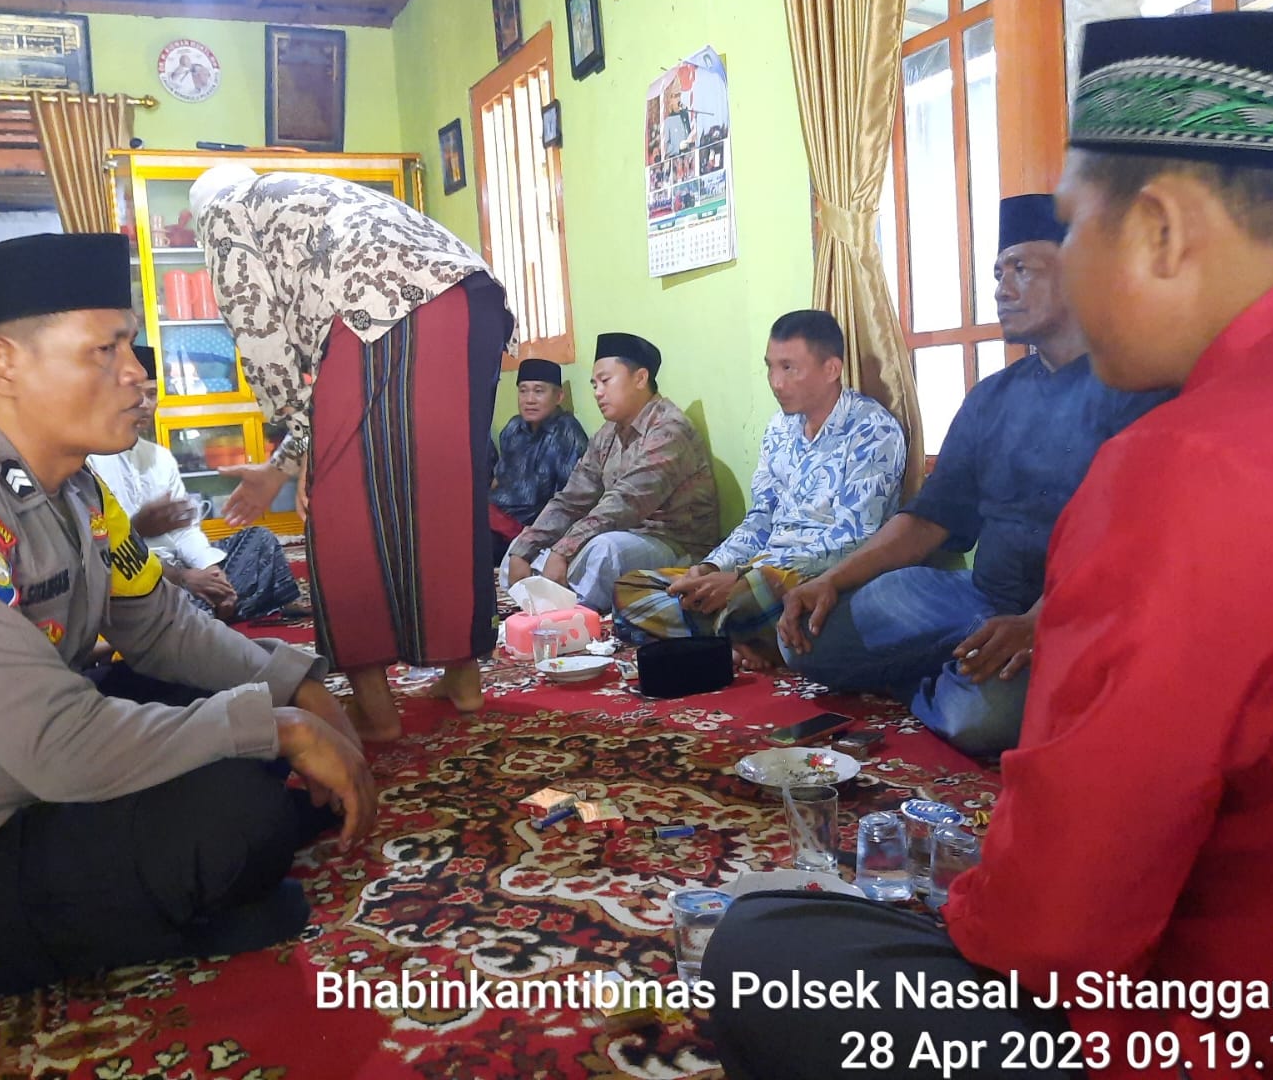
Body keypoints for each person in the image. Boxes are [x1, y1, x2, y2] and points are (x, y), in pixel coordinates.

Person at [706, 10, 1273, 1080]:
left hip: (1246, 1024)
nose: (1056, 271)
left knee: (763, 952)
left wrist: (975, 902)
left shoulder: (1194, 458)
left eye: (1077, 229)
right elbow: (928, 524)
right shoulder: (1048, 401)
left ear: (1163, 231)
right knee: (900, 615)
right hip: (975, 614)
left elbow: (1057, 927)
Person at [0, 233, 374, 1013]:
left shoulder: (76, 489)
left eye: (129, 346)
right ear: (2, 365)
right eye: (105, 349)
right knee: (239, 811)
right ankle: (184, 903)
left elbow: (160, 627)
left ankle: (177, 890)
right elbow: (60, 745)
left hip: (24, 788)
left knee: (203, 712)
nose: (136, 374)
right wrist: (283, 729)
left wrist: (290, 682)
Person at [775, 195, 1171, 754]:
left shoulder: (1142, 389)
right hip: (975, 595)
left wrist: (1037, 620)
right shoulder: (994, 397)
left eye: (1022, 270)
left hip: (1074, 613)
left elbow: (1140, 542)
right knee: (804, 643)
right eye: (997, 273)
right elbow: (927, 521)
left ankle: (940, 674)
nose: (1001, 289)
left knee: (979, 723)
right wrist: (831, 580)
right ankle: (949, 662)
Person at [190, 166, 515, 742]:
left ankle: (377, 710)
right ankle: (463, 683)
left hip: (378, 312)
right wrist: (285, 462)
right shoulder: (304, 194)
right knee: (442, 491)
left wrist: (295, 449)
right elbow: (330, 390)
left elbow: (260, 332)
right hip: (474, 300)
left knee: (342, 513)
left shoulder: (223, 210)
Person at [612, 311, 904, 661]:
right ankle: (739, 643)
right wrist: (712, 568)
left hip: (819, 580)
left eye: (788, 368)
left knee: (751, 595)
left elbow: (855, 539)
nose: (775, 382)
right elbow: (760, 517)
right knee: (630, 589)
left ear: (831, 369)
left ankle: (722, 637)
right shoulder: (779, 429)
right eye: (770, 367)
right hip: (757, 570)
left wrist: (743, 576)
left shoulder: (872, 430)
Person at [502, 332, 718, 613]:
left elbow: (625, 502)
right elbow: (572, 498)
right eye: (594, 384)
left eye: (605, 381)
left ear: (640, 378)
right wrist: (527, 547)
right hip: (620, 533)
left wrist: (564, 549)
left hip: (674, 546)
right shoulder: (608, 434)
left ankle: (565, 616)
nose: (597, 392)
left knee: (603, 550)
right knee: (519, 548)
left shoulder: (669, 429)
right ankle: (550, 607)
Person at [88, 344, 300, 622]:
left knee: (258, 540)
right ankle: (215, 611)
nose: (144, 404)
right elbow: (106, 553)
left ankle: (215, 606)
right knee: (156, 604)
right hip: (140, 575)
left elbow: (186, 530)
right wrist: (183, 577)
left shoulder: (159, 457)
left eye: (151, 394)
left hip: (182, 566)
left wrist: (212, 572)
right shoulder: (90, 459)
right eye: (135, 394)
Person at [487, 357, 589, 562]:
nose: (529, 399)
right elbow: (498, 480)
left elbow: (572, 501)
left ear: (558, 396)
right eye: (523, 390)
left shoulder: (567, 434)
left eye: (539, 391)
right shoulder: (513, 428)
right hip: (495, 517)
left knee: (475, 547)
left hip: (527, 529)